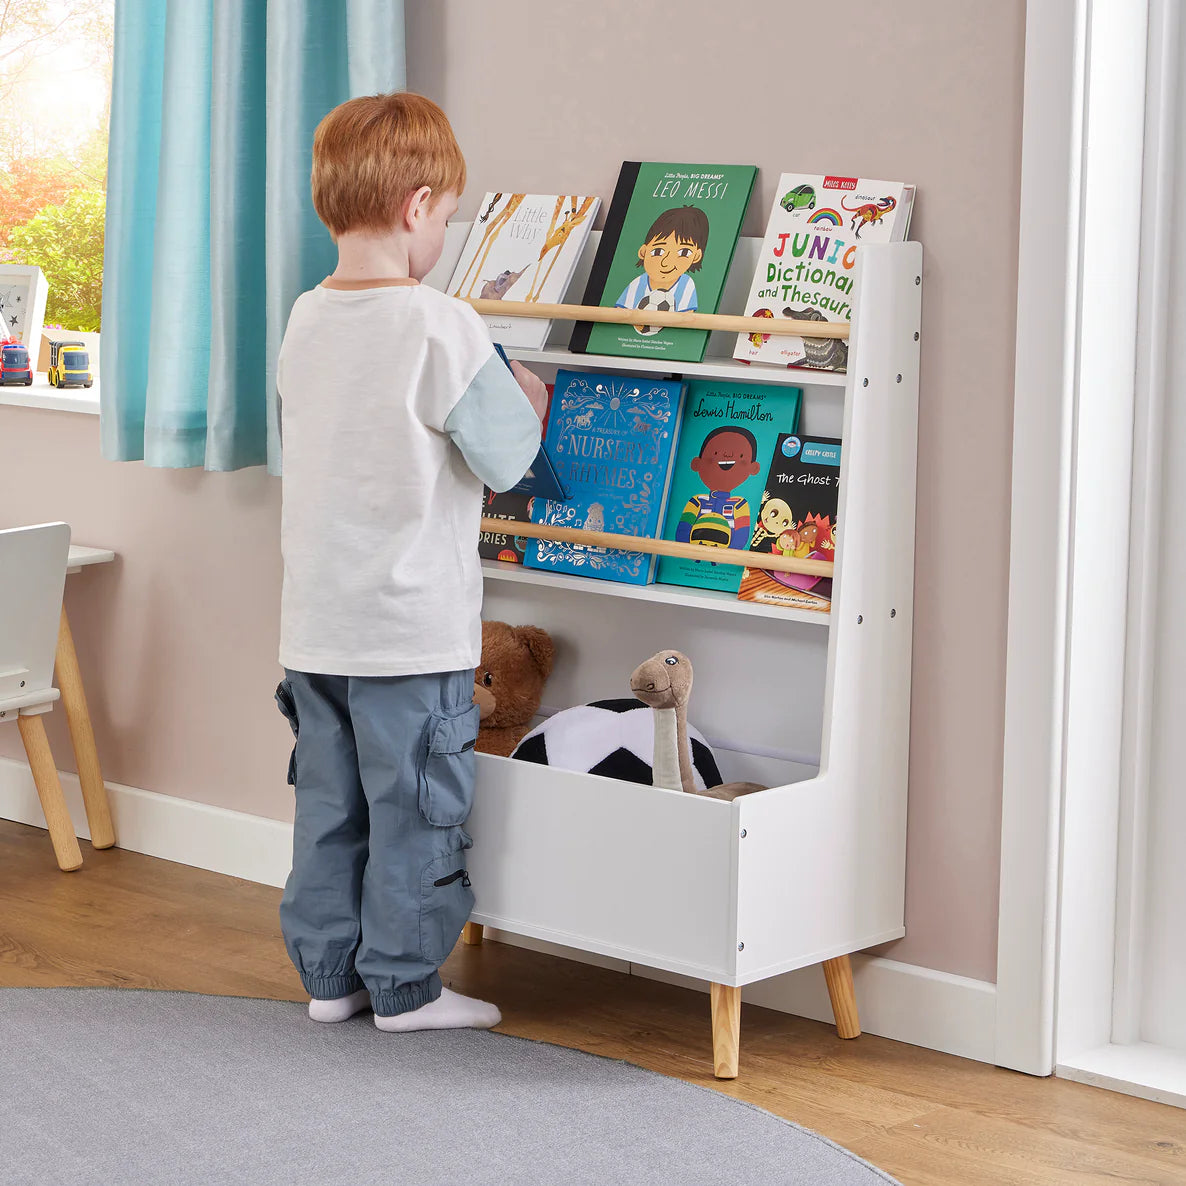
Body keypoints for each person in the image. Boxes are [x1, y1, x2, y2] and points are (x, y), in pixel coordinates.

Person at [274, 92, 547, 1033]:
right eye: (449, 216)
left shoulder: (306, 318)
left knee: (329, 805)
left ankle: (328, 978)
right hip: (409, 631)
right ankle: (405, 988)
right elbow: (506, 459)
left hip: (316, 625)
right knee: (415, 810)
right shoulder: (442, 324)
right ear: (418, 206)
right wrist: (531, 398)